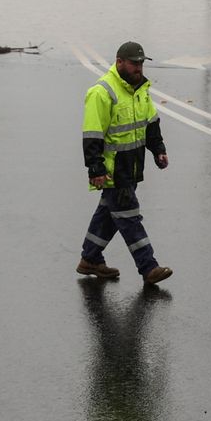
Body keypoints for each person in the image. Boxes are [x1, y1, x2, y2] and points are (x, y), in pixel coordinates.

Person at [77, 41, 172, 285]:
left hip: (133, 166)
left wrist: (158, 150)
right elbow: (92, 134)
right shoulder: (102, 92)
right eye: (133, 63)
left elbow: (150, 123)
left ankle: (90, 258)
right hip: (113, 170)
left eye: (141, 63)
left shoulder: (140, 90)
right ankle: (148, 267)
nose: (138, 68)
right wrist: (96, 168)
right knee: (129, 216)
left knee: (109, 215)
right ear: (119, 62)